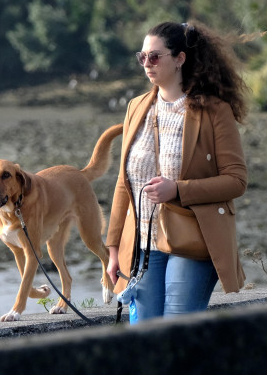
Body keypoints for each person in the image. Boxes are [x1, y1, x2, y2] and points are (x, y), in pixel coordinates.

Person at [106, 21, 249, 322]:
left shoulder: (214, 111)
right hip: (143, 244)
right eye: (142, 57)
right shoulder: (136, 107)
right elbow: (124, 183)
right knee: (144, 338)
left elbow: (236, 180)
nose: (147, 63)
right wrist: (113, 247)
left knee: (175, 336)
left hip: (193, 238)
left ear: (180, 58)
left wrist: (178, 190)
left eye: (155, 56)